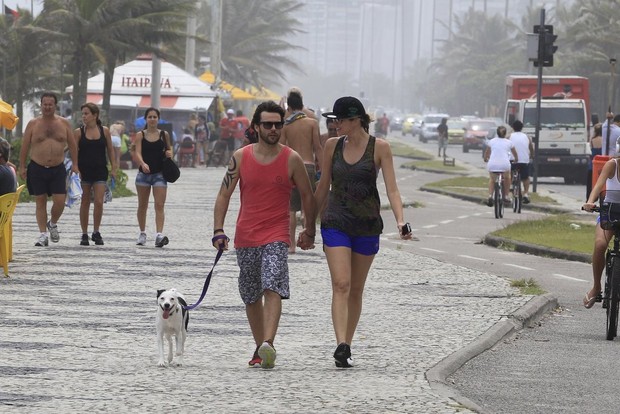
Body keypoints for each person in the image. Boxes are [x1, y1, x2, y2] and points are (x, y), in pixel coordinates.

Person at [212, 100, 317, 369]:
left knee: (272, 284)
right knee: (250, 294)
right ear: (256, 127)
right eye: (268, 124)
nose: (273, 129)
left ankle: (268, 342)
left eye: (277, 124)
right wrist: (218, 230)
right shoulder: (240, 157)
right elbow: (224, 194)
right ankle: (260, 348)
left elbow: (307, 195)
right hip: (246, 236)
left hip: (277, 235)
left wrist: (309, 229)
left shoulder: (291, 158)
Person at [315, 96, 413, 368]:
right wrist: (308, 222)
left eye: (340, 120)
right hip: (336, 221)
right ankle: (340, 344)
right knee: (341, 284)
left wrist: (401, 220)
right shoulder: (331, 146)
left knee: (356, 288)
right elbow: (323, 187)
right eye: (333, 120)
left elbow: (392, 188)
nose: (335, 125)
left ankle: (348, 341)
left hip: (367, 224)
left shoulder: (380, 148)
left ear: (355, 120)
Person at [18, 91, 79, 247]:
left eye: (50, 104)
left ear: (55, 105)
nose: (47, 107)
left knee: (59, 201)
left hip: (57, 167)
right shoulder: (33, 124)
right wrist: (22, 166)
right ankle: (42, 234)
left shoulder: (64, 123)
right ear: (41, 105)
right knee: (40, 201)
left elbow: (72, 145)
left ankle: (52, 223)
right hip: (37, 167)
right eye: (44, 104)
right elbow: (25, 146)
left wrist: (75, 165)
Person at [280, 89, 323, 254]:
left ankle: (291, 245)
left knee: (291, 208)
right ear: (302, 104)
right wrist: (325, 168)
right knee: (307, 205)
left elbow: (282, 148)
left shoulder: (286, 124)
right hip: (308, 165)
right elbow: (318, 148)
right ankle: (308, 239)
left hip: (291, 166)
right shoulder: (312, 123)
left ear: (289, 107)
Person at [74, 103, 117, 246]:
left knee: (99, 201)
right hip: (84, 170)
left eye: (86, 114)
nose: (84, 117)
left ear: (95, 115)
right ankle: (84, 233)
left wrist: (114, 168)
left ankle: (96, 231)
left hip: (100, 170)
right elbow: (74, 152)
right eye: (83, 114)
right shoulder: (79, 132)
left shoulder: (104, 131)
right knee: (85, 202)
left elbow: (110, 149)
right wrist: (75, 168)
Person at [582, 154, 620, 308]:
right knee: (600, 245)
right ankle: (597, 287)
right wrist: (590, 202)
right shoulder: (612, 165)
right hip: (609, 211)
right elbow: (598, 185)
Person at [133, 107, 173, 248]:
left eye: (154, 117)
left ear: (158, 119)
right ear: (146, 119)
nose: (152, 119)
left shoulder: (164, 134)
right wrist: (142, 163)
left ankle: (158, 234)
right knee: (142, 205)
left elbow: (169, 149)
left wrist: (169, 154)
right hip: (143, 175)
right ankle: (142, 232)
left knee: (159, 204)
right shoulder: (140, 135)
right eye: (149, 117)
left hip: (159, 174)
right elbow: (137, 152)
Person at [483, 125, 518, 207]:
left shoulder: (491, 141)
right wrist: (516, 159)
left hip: (493, 164)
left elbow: (487, 153)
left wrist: (485, 159)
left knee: (492, 179)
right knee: (507, 178)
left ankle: (490, 196)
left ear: (497, 133)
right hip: (504, 164)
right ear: (505, 134)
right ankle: (506, 196)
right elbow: (515, 154)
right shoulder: (509, 142)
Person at [509, 120, 534, 204]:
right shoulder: (527, 137)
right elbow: (531, 148)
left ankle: (512, 185)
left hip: (512, 160)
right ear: (522, 128)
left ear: (512, 128)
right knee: (526, 178)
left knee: (510, 173)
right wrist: (531, 156)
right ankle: (526, 194)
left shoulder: (509, 136)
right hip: (524, 161)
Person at [587, 123, 603, 200]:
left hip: (593, 162)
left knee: (590, 182)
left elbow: (591, 149)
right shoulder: (604, 140)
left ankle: (589, 198)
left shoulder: (593, 140)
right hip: (601, 163)